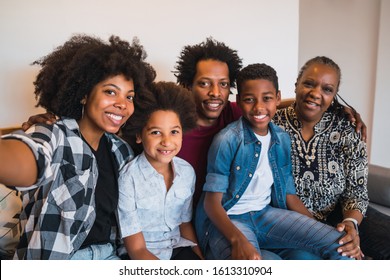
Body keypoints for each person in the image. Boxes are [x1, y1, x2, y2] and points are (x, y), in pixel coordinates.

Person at [0, 34, 156, 260]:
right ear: (84, 94)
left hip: (111, 256)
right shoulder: (53, 134)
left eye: (129, 96)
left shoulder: (122, 152)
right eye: (110, 91)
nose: (122, 104)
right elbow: (30, 154)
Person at [195, 63, 350, 260]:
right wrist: (238, 240)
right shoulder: (228, 140)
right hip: (230, 220)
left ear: (277, 98)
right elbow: (211, 204)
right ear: (239, 102)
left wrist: (317, 231)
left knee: (341, 244)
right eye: (249, 100)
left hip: (265, 216)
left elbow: (288, 195)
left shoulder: (281, 139)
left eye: (267, 98)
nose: (259, 107)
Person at [273, 56, 390, 260]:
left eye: (327, 89)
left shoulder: (348, 129)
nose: (316, 93)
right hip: (291, 220)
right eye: (308, 84)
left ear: (334, 95)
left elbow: (357, 191)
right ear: (296, 85)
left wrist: (351, 224)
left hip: (339, 213)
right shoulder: (272, 125)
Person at [118, 81, 203, 260]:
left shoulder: (187, 172)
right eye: (156, 132)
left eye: (174, 132)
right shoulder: (128, 178)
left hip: (176, 248)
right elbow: (136, 249)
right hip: (139, 255)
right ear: (139, 135)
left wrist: (200, 259)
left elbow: (184, 224)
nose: (166, 141)